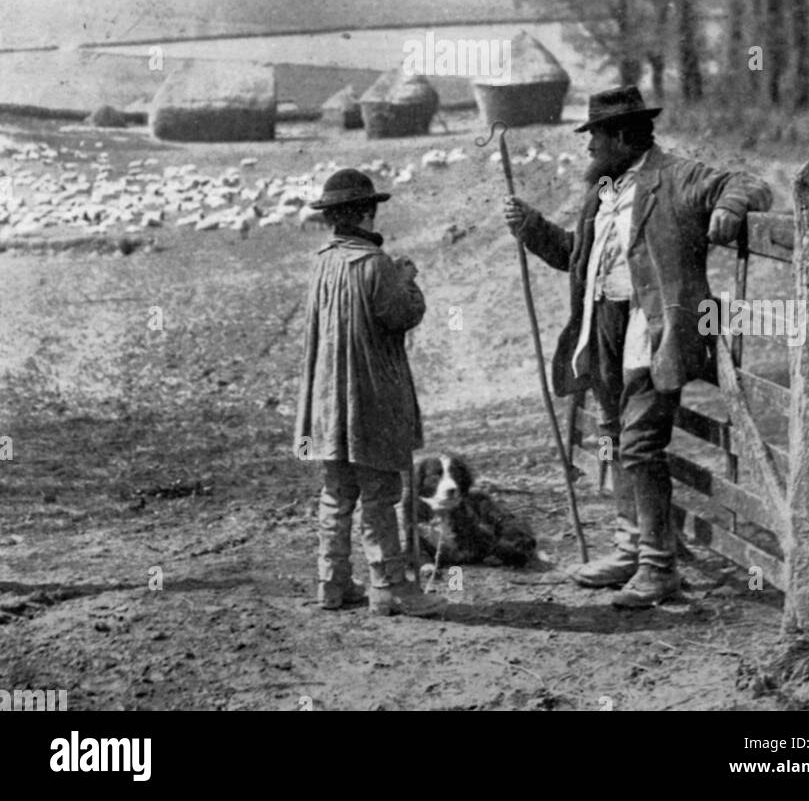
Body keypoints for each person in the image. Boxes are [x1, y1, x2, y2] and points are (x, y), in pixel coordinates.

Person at [503, 86, 772, 608]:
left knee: (641, 444)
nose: (589, 149)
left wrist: (731, 208)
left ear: (623, 136)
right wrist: (531, 229)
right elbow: (573, 259)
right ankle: (630, 549)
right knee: (613, 431)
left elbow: (750, 183)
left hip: (655, 329)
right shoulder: (602, 191)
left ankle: (658, 567)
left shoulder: (676, 176)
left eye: (595, 138)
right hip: (603, 324)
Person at [293, 168, 436, 617]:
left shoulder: (320, 262)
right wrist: (407, 279)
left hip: (326, 403)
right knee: (379, 493)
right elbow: (401, 315)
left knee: (336, 493)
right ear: (365, 213)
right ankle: (388, 585)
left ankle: (331, 584)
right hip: (369, 400)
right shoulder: (374, 265)